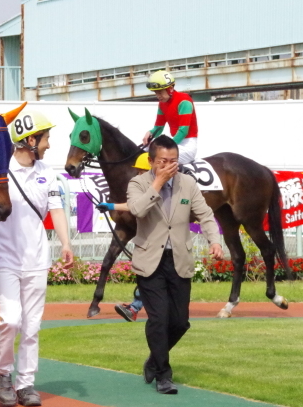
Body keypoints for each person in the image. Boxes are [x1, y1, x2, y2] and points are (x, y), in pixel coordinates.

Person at [0, 109, 74, 407]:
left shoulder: (47, 173)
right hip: (4, 259)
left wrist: (66, 243)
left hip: (38, 259)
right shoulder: (0, 168)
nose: (49, 145)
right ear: (29, 140)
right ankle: (2, 373)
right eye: (46, 138)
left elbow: (57, 210)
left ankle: (26, 384)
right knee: (11, 320)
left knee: (33, 326)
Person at [128, 135, 222, 394]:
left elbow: (205, 214)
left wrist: (214, 240)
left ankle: (154, 359)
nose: (170, 166)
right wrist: (157, 183)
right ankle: (163, 375)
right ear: (151, 161)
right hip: (150, 262)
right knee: (159, 318)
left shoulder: (188, 183)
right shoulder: (138, 183)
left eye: (174, 161)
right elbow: (137, 210)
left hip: (179, 260)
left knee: (180, 322)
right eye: (163, 161)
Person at [112, 152, 150, 322]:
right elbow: (133, 205)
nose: (138, 175)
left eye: (142, 172)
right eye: (138, 172)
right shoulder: (142, 189)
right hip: (150, 243)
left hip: (163, 243)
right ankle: (134, 308)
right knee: (145, 274)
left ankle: (135, 307)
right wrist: (111, 205)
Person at [141, 70, 199, 165]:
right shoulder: (162, 104)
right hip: (175, 144)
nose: (158, 96)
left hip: (187, 145)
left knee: (158, 159)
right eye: (156, 93)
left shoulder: (184, 101)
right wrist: (150, 133)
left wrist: (168, 145)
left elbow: (183, 130)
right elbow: (158, 128)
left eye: (160, 92)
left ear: (170, 89)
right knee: (141, 151)